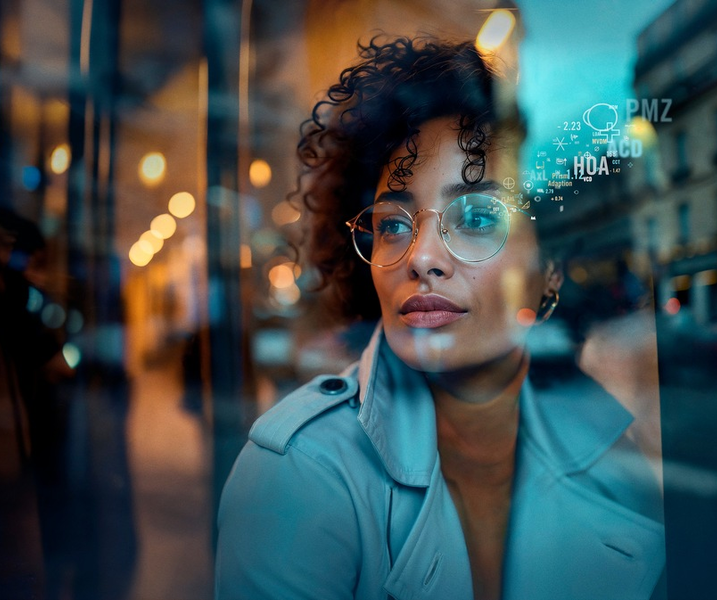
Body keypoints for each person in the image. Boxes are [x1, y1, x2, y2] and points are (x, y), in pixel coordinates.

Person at [215, 37, 665, 600]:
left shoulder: (619, 456)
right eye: (394, 224)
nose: (422, 257)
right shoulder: (298, 475)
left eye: (476, 216)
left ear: (547, 268)